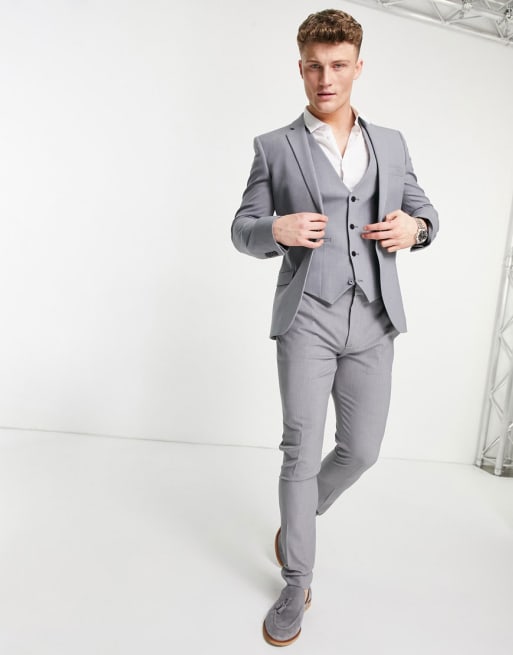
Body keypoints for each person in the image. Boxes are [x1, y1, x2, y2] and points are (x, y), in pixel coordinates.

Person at [231, 8, 439, 647]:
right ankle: (296, 580)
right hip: (307, 319)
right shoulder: (274, 147)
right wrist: (276, 229)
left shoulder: (392, 144)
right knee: (300, 449)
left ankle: (301, 515)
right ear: (301, 68)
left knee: (362, 450)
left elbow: (425, 213)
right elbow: (242, 229)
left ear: (357, 67)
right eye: (315, 67)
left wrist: (415, 229)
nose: (326, 79)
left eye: (338, 66)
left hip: (374, 317)